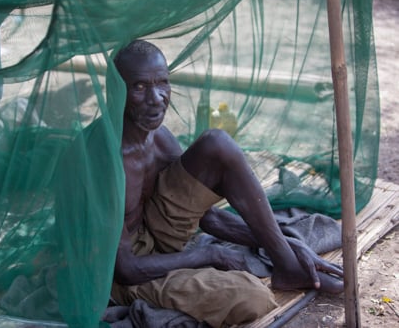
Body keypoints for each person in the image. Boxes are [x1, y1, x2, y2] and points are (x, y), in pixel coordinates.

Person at [110, 40, 343, 328]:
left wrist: (282, 244)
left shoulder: (158, 138)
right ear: (115, 92)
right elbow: (126, 269)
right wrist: (210, 254)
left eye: (163, 83)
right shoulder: (103, 161)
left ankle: (286, 264)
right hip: (124, 269)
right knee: (252, 298)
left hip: (160, 234)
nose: (157, 98)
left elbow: (204, 217)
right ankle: (284, 261)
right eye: (140, 87)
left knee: (216, 144)